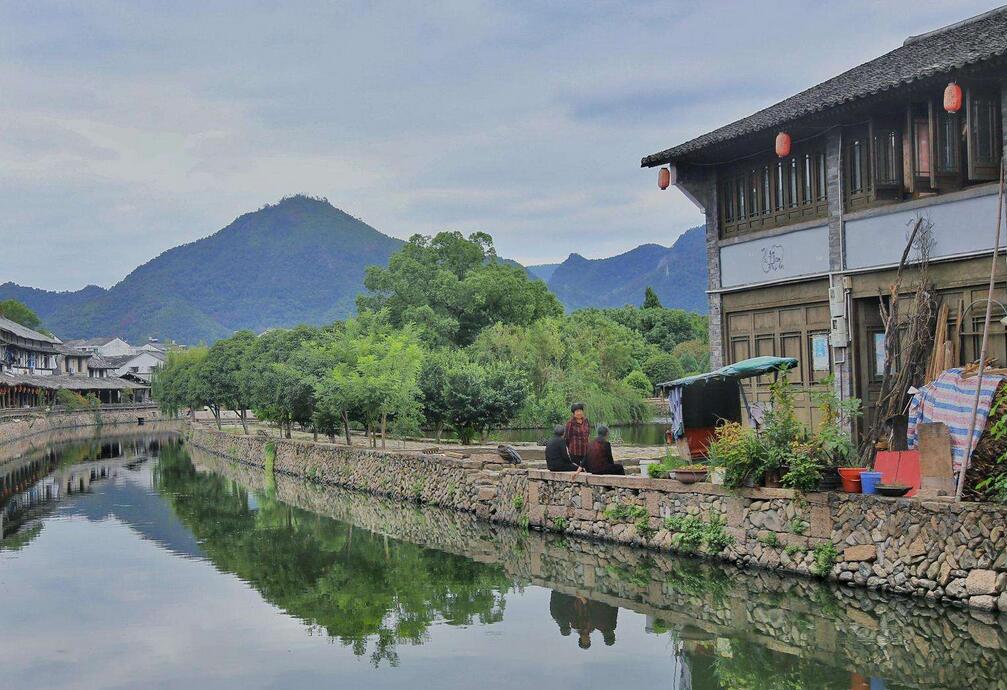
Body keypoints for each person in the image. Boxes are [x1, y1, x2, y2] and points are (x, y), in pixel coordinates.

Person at [565, 403, 590, 467]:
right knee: (577, 470)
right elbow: (567, 438)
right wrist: (570, 448)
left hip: (585, 451)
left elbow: (588, 434)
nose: (579, 413)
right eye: (577, 411)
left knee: (587, 468)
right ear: (573, 413)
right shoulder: (570, 423)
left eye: (580, 411)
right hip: (574, 451)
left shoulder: (586, 421)